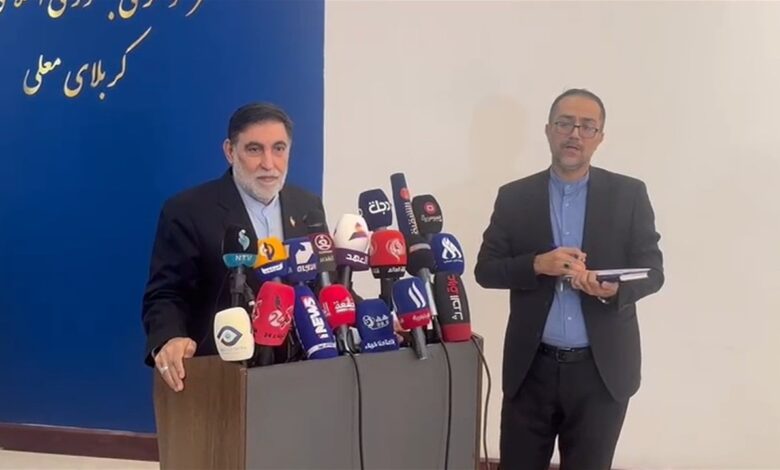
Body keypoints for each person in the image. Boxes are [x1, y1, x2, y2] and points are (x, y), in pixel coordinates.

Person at [474, 89, 664, 469]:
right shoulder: (514, 197)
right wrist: (536, 264)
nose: (575, 134)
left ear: (599, 137)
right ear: (548, 130)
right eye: (565, 123)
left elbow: (653, 271)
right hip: (531, 370)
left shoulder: (628, 194)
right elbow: (486, 270)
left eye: (587, 126)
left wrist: (614, 290)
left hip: (601, 373)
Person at [142, 103, 325, 392]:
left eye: (278, 149)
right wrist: (169, 338)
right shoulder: (188, 211)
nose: (269, 163)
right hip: (222, 377)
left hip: (304, 374)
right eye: (254, 149)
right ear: (230, 151)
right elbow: (166, 295)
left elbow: (325, 283)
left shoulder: (307, 206)